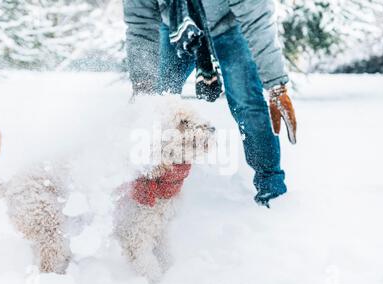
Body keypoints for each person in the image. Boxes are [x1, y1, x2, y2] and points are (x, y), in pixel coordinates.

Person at [123, 0, 297, 207]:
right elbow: (140, 25)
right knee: (156, 103)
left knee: (247, 103)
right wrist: (143, 90)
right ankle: (150, 179)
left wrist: (276, 84)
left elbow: (258, 21)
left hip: (229, 26)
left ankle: (271, 188)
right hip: (176, 27)